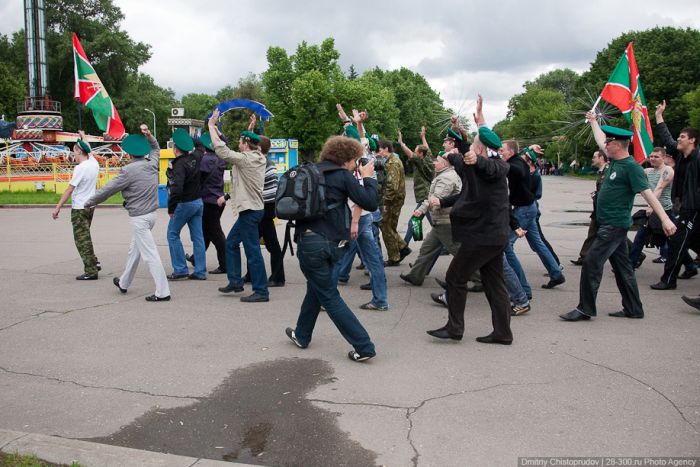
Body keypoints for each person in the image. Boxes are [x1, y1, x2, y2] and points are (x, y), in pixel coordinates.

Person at [560, 113, 676, 321]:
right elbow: (598, 138)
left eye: (608, 142)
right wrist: (594, 121)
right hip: (611, 225)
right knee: (623, 269)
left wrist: (666, 219)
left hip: (613, 227)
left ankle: (585, 308)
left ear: (618, 145)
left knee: (591, 263)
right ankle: (633, 308)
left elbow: (648, 195)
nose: (605, 145)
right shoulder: (615, 160)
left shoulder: (631, 167)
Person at [426, 95, 513, 345]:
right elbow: (462, 153)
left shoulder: (496, 167)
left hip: (483, 236)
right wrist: (462, 131)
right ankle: (503, 333)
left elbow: (488, 165)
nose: (470, 151)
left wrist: (478, 158)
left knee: (455, 277)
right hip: (491, 236)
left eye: (475, 148)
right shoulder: (471, 163)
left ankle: (454, 328)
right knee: (494, 283)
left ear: (483, 151)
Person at [284, 135, 379, 362]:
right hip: (336, 245)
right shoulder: (344, 177)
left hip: (310, 243)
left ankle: (364, 346)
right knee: (318, 288)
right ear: (346, 159)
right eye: (355, 160)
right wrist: (369, 178)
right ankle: (302, 334)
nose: (356, 164)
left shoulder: (310, 171)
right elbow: (370, 202)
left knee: (327, 293)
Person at [85, 124, 171, 302]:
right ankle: (124, 282)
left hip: (139, 218)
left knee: (150, 255)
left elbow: (108, 189)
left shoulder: (128, 171)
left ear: (129, 154)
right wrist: (148, 135)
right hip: (151, 216)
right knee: (135, 250)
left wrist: (89, 202)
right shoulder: (152, 163)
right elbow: (155, 148)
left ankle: (163, 292)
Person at [208, 109, 269, 303]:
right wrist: (249, 128)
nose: (238, 144)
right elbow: (251, 143)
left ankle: (261, 291)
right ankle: (235, 282)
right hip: (251, 210)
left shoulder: (246, 159)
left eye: (241, 142)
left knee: (253, 251)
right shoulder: (256, 154)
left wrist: (211, 126)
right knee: (232, 244)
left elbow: (222, 151)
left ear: (245, 145)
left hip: (250, 212)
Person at [500, 139, 565, 295]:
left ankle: (522, 289)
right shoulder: (518, 160)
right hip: (529, 208)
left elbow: (514, 169)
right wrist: (528, 148)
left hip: (524, 209)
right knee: (537, 243)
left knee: (506, 246)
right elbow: (519, 155)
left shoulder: (515, 165)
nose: (500, 152)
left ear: (510, 152)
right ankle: (556, 273)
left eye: (502, 150)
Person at [650, 100, 700, 290]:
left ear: (692, 140)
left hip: (694, 209)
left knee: (677, 241)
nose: (678, 139)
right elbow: (668, 138)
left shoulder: (698, 159)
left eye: (682, 137)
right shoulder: (681, 156)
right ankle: (681, 273)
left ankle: (668, 280)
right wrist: (659, 116)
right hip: (686, 208)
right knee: (686, 241)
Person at [399, 153, 461, 286]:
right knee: (427, 249)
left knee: (458, 252)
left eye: (437, 161)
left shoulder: (446, 178)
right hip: (441, 220)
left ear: (444, 164)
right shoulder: (445, 175)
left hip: (445, 222)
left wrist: (420, 210)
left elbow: (435, 199)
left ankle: (480, 279)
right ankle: (415, 276)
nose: (434, 163)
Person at [52, 131, 100, 280]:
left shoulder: (80, 168)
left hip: (79, 208)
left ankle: (91, 271)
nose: (74, 154)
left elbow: (70, 189)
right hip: (90, 206)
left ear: (79, 151)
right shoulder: (93, 162)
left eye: (74, 151)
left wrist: (58, 207)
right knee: (85, 236)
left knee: (81, 240)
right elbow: (89, 148)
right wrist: (84, 136)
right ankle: (94, 261)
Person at [243, 132, 286, 287]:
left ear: (259, 148)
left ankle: (277, 277)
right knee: (254, 241)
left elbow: (264, 189)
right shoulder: (268, 163)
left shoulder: (265, 164)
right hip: (266, 207)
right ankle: (255, 275)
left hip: (264, 208)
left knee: (268, 244)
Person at [165, 128, 206, 281]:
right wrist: (189, 139)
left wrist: (171, 207)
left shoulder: (179, 165)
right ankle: (200, 271)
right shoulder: (195, 157)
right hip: (198, 202)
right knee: (198, 237)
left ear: (175, 149)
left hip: (184, 204)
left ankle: (180, 269)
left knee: (172, 234)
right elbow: (201, 145)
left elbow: (177, 188)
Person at [188, 132, 227, 274]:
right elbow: (224, 142)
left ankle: (225, 264)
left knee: (215, 233)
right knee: (207, 231)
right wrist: (217, 133)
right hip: (219, 200)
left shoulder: (204, 161)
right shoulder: (221, 158)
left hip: (208, 201)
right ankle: (195, 258)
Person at [628, 147, 674, 269]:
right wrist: (642, 161)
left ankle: (689, 265)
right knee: (640, 238)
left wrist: (650, 206)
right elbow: (633, 170)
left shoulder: (667, 170)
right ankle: (630, 264)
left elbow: (659, 187)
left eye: (656, 156)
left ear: (663, 158)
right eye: (651, 156)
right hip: (653, 213)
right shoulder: (648, 171)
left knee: (674, 241)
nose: (652, 159)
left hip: (665, 211)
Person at [398, 127, 434, 250]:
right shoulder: (428, 158)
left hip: (424, 196)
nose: (414, 152)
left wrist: (401, 143)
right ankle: (408, 244)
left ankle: (404, 247)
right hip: (426, 194)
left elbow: (410, 154)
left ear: (420, 154)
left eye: (416, 151)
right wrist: (423, 137)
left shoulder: (420, 161)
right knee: (416, 221)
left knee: (430, 223)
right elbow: (427, 149)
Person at [571, 150, 609, 265]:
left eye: (594, 157)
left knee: (615, 237)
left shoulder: (608, 171)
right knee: (592, 233)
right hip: (598, 209)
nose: (592, 159)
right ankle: (584, 257)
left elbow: (607, 191)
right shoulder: (602, 172)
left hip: (605, 210)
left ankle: (635, 254)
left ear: (601, 158)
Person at [378, 140, 410, 266]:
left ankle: (395, 256)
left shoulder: (393, 162)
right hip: (394, 200)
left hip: (392, 201)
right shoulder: (391, 161)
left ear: (386, 149)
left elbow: (392, 186)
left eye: (380, 149)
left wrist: (385, 203)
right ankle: (401, 249)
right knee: (389, 226)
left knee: (385, 226)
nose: (379, 152)